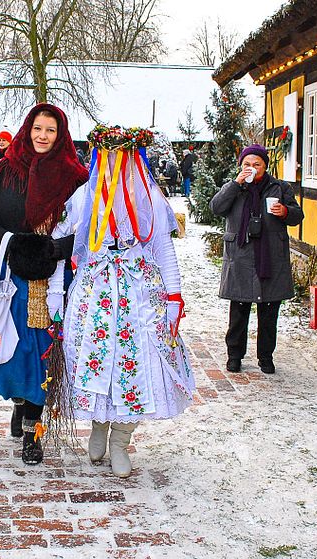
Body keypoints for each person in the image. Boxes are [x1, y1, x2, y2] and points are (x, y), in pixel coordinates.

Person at [54, 128, 195, 478]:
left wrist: (174, 296)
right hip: (95, 291)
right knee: (97, 359)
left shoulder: (150, 196)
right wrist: (57, 290)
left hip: (139, 293)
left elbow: (164, 247)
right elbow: (60, 244)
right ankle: (99, 426)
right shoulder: (84, 196)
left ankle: (121, 439)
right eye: (109, 157)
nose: (116, 163)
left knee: (138, 362)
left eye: (123, 156)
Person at [0, 103, 89, 465]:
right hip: (6, 272)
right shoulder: (4, 169)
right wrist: (14, 242)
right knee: (10, 348)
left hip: (51, 276)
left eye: (50, 130)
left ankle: (33, 428)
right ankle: (19, 401)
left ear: (60, 134)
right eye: (37, 128)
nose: (42, 136)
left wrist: (55, 248)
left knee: (40, 351)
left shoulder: (76, 177)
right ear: (27, 129)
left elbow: (85, 228)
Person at [209, 144, 304, 375]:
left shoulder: (280, 188)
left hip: (270, 256)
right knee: (239, 309)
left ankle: (266, 357)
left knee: (269, 310)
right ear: (241, 166)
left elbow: (297, 215)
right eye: (247, 164)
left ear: (265, 166)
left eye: (256, 164)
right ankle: (234, 356)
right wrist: (235, 184)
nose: (251, 168)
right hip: (240, 257)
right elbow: (216, 207)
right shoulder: (234, 188)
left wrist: (286, 212)